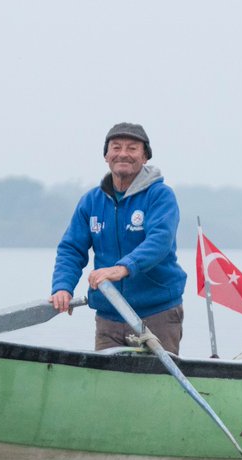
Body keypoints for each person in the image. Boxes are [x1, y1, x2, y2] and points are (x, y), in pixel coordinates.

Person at [50, 123, 187, 354]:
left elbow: (160, 241)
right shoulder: (91, 201)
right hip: (109, 316)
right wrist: (63, 287)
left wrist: (122, 268)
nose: (123, 153)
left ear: (144, 156)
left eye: (132, 148)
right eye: (116, 147)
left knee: (155, 386)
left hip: (157, 313)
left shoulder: (160, 196)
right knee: (106, 386)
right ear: (106, 156)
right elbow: (71, 249)